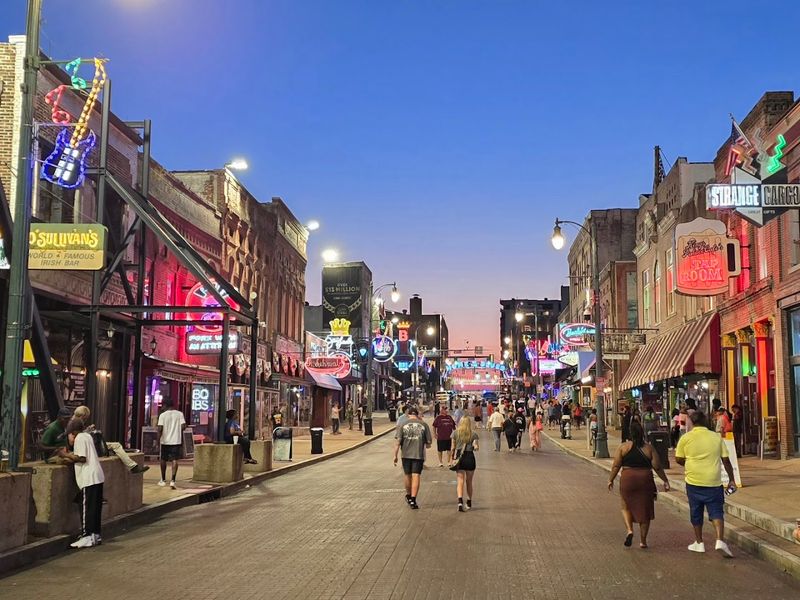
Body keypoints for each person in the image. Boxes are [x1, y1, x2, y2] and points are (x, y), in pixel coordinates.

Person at [675, 411, 737, 557]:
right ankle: (720, 540)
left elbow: (678, 458)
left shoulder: (686, 438)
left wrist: (689, 463)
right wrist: (731, 479)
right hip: (713, 481)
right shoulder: (716, 437)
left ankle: (699, 542)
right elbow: (726, 460)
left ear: (692, 422)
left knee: (695, 511)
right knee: (716, 511)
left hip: (693, 480)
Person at [608, 422, 670, 549]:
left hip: (628, 478)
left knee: (625, 506)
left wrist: (611, 479)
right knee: (645, 509)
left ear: (630, 433)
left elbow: (616, 466)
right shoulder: (649, 448)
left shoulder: (623, 447)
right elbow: (657, 467)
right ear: (642, 433)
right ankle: (643, 541)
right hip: (645, 479)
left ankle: (629, 530)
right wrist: (665, 480)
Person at [60, 418, 104, 548]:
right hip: (97, 476)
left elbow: (82, 458)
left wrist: (64, 455)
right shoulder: (87, 436)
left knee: (87, 509)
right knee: (95, 509)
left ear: (73, 432)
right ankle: (95, 535)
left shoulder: (79, 438)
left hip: (88, 477)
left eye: (69, 434)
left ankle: (86, 536)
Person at [69, 406, 148, 473]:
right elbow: (73, 440)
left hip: (88, 444)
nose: (85, 419)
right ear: (82, 415)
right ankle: (132, 466)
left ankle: (133, 466)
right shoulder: (74, 423)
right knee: (116, 446)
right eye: (85, 417)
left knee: (114, 446)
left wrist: (88, 430)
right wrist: (87, 431)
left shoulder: (75, 422)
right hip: (85, 446)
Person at [393, 406, 432, 509]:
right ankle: (413, 500)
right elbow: (428, 444)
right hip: (418, 455)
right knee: (416, 476)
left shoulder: (403, 425)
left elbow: (397, 442)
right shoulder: (424, 425)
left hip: (405, 454)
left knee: (407, 475)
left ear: (408, 415)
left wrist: (395, 456)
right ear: (417, 415)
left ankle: (409, 495)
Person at [450, 415, 479, 512]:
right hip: (470, 457)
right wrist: (475, 446)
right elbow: (476, 446)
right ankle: (469, 501)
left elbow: (453, 447)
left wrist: (451, 459)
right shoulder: (473, 434)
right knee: (469, 481)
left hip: (460, 458)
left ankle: (460, 502)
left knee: (460, 481)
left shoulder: (455, 433)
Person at [157, 400, 186, 489]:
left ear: (166, 405)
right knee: (175, 460)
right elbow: (183, 426)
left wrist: (158, 440)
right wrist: (177, 429)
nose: (162, 407)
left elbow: (160, 428)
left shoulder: (162, 415)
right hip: (176, 440)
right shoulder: (179, 414)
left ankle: (163, 479)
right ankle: (173, 480)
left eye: (162, 405)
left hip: (165, 441)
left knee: (163, 459)